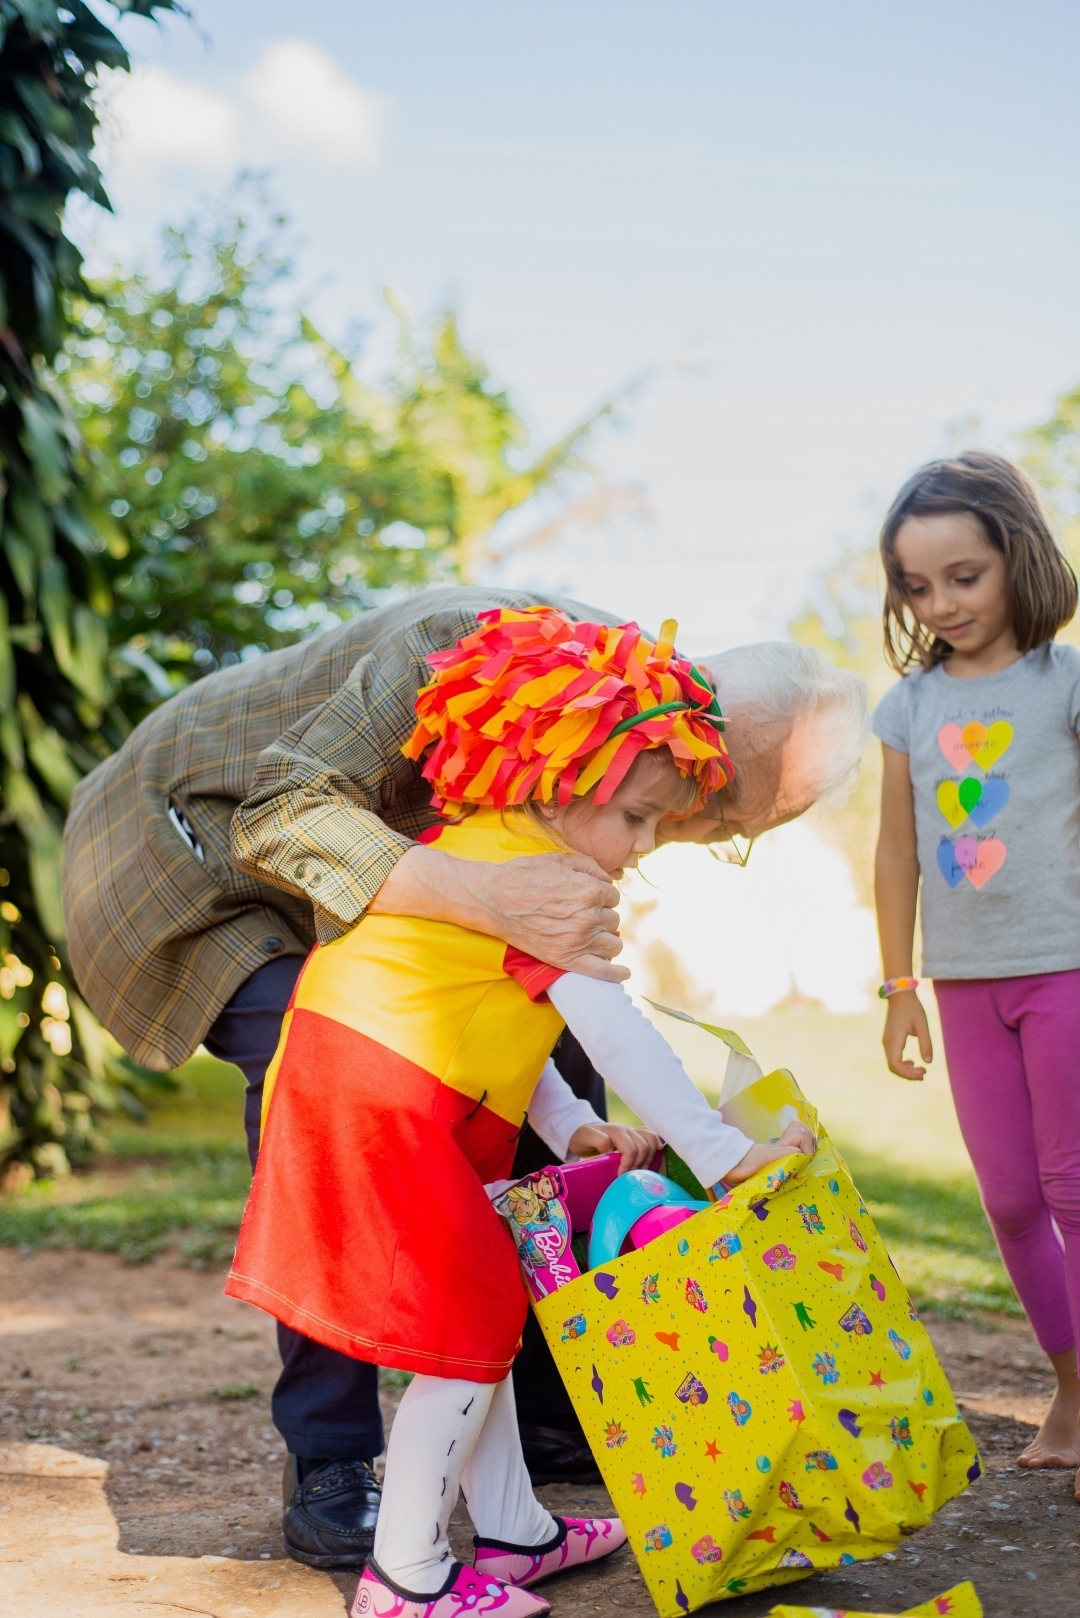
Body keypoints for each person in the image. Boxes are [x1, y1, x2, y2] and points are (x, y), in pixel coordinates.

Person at [62, 583, 866, 1569]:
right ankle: (334, 1456)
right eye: (703, 806)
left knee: (537, 1046)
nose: (685, 835)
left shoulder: (619, 756)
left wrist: (567, 1096)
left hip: (374, 878)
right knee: (320, 1065)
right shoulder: (472, 652)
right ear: (691, 727)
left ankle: (547, 1396)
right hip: (188, 849)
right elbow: (279, 814)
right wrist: (490, 900)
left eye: (728, 830)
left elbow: (544, 1005)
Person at [225, 606, 816, 1618]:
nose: (640, 845)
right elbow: (616, 1030)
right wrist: (719, 1153)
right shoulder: (540, 877)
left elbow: (486, 1009)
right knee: (463, 1333)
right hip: (384, 1106)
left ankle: (515, 1532)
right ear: (556, 777)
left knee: (481, 1316)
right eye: (634, 815)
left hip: (379, 1089)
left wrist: (564, 1125)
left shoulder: (488, 845)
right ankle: (404, 1578)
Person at [871, 451, 1080, 1500]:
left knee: (1074, 1189)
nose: (941, 602)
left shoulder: (1067, 681)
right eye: (917, 584)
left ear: (1016, 558)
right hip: (962, 984)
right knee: (1008, 1201)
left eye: (964, 574)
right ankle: (1071, 1381)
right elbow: (898, 853)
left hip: (1067, 970)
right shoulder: (906, 707)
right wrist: (898, 990)